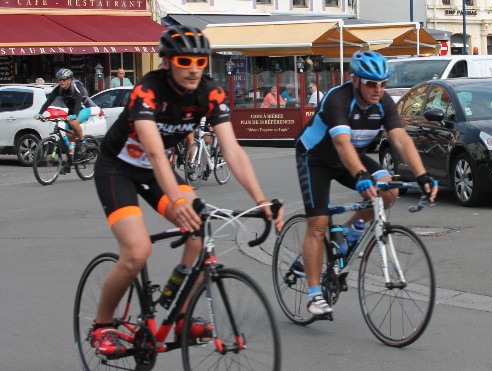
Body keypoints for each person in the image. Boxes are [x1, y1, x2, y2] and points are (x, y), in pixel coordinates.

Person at [89, 25, 283, 356]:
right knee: (136, 252)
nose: (194, 68)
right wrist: (177, 199)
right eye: (184, 60)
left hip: (155, 170)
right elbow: (152, 151)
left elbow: (233, 150)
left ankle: (179, 314)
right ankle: (102, 325)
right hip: (118, 170)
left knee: (199, 230)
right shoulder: (147, 91)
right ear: (166, 62)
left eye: (201, 61)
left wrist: (261, 200)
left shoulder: (210, 93)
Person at [294, 50, 438, 316]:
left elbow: (401, 140)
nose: (378, 89)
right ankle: (314, 294)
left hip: (349, 158)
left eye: (383, 83)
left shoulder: (383, 102)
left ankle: (349, 232)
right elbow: (341, 142)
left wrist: (422, 175)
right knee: (318, 224)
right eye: (371, 83)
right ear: (355, 80)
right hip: (315, 158)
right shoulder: (338, 98)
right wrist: (360, 175)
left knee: (389, 189)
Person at [34, 68, 96, 173]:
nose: (61, 82)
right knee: (69, 137)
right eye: (59, 80)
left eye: (63, 79)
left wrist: (75, 116)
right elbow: (49, 101)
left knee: (73, 122)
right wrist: (40, 113)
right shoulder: (59, 89)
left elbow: (78, 101)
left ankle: (82, 142)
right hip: (72, 111)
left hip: (84, 108)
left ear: (69, 80)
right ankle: (69, 163)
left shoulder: (75, 86)